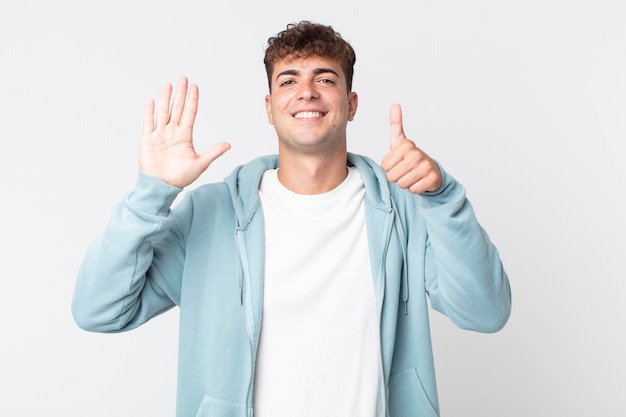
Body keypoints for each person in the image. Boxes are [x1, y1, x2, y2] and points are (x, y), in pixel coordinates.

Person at [72, 21, 511, 417]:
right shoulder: (209, 215)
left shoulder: (409, 212)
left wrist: (443, 197)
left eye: (325, 78)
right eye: (289, 80)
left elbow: (486, 313)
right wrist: (152, 193)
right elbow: (99, 310)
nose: (307, 92)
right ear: (268, 106)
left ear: (352, 103)